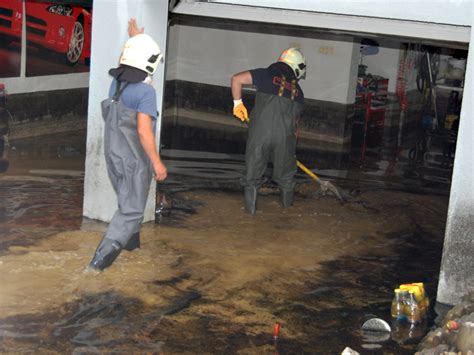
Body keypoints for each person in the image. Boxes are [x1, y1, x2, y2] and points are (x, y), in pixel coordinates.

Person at [88, 19, 167, 271]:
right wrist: (157, 163)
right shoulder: (145, 93)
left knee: (127, 201)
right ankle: (96, 265)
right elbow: (144, 131)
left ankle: (131, 248)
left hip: (113, 155)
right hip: (134, 160)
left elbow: (130, 61)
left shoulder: (117, 84)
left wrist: (134, 37)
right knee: (132, 210)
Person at [231, 48, 306, 214]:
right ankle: (288, 216)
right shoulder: (298, 92)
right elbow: (296, 127)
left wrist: (238, 104)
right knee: (286, 179)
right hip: (285, 139)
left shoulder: (266, 75)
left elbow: (236, 79)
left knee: (252, 177)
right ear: (297, 67)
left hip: (260, 135)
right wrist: (291, 150)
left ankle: (249, 217)